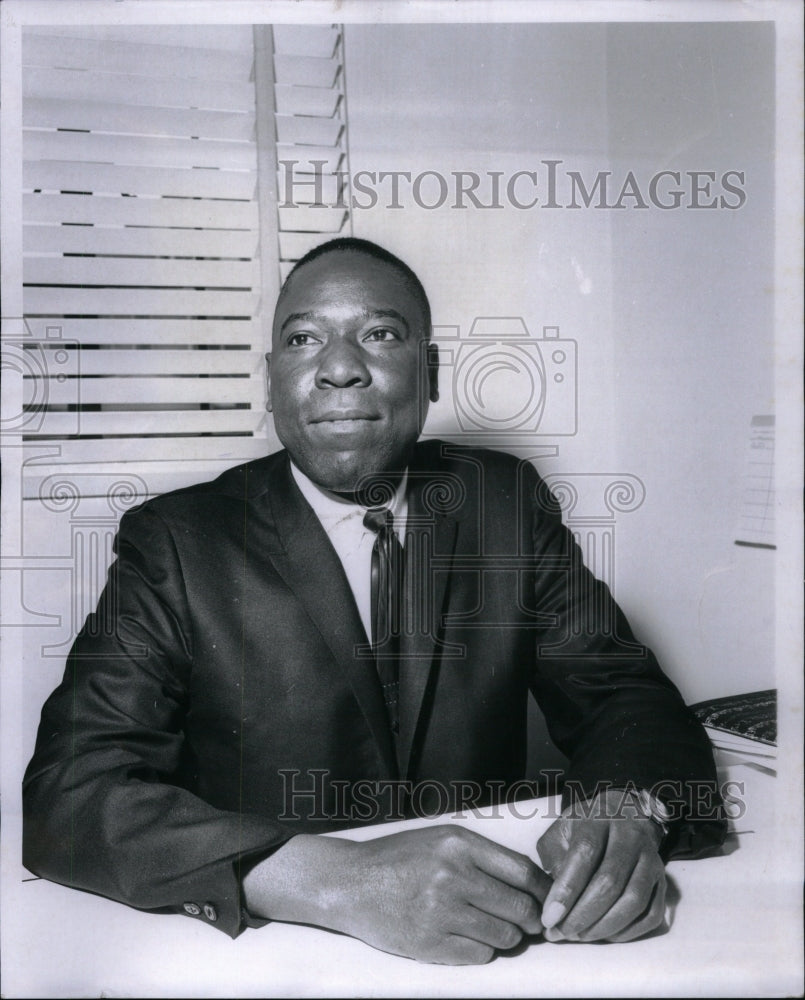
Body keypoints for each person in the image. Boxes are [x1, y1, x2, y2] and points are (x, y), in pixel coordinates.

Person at [23, 238, 725, 965]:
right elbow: (69, 796)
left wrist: (627, 809)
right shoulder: (176, 541)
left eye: (379, 334)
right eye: (302, 338)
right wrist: (335, 881)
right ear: (271, 382)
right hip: (272, 957)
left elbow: (622, 695)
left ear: (429, 373)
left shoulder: (503, 504)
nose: (338, 367)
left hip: (503, 952)